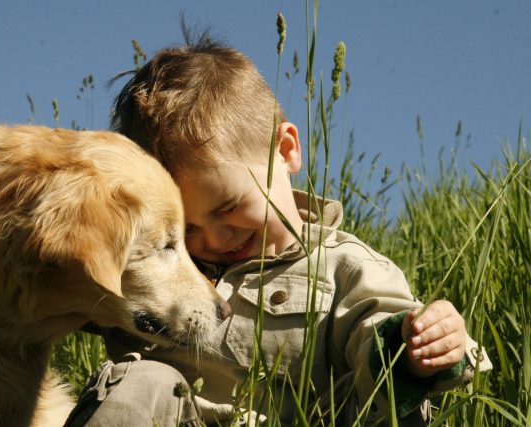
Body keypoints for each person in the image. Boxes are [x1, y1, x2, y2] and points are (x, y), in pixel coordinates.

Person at [66, 39, 491, 426]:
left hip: (310, 418)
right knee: (141, 381)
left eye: (229, 207)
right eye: (188, 228)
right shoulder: (164, 271)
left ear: (286, 151)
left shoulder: (344, 267)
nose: (214, 240)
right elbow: (64, 292)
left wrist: (419, 346)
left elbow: (375, 329)